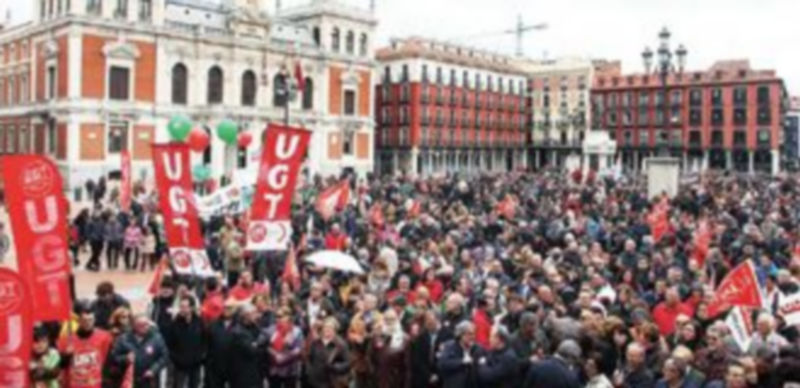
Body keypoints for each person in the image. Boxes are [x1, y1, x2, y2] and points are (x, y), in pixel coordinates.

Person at [57, 302, 113, 388]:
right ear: (79, 321)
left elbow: (108, 362)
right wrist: (66, 356)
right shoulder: (66, 341)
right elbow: (60, 366)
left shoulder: (104, 337)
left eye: (90, 320)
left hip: (96, 384)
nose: (88, 323)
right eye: (84, 320)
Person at [112, 314, 169, 388]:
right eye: (142, 325)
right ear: (134, 326)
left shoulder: (157, 338)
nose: (146, 327)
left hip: (149, 381)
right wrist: (125, 358)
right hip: (129, 380)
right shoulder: (124, 339)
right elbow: (114, 356)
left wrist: (154, 370)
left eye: (147, 324)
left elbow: (164, 357)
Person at [164, 297, 206, 388]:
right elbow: (169, 344)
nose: (182, 309)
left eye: (185, 307)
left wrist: (200, 357)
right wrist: (177, 359)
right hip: (179, 366)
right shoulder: (174, 324)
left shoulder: (199, 322)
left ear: (191, 308)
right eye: (181, 307)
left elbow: (204, 341)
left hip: (195, 364)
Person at [260, 307, 304, 388]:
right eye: (277, 316)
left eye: (281, 316)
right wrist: (274, 354)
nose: (278, 319)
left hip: (290, 369)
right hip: (274, 369)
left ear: (289, 316)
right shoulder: (271, 329)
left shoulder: (296, 331)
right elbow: (265, 346)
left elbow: (299, 348)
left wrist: (284, 357)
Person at [437, 321, 486, 388]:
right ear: (460, 335)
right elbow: (442, 364)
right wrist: (462, 362)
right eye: (469, 334)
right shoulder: (449, 347)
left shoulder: (478, 348)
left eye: (474, 334)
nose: (473, 337)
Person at [305, 317, 351, 388]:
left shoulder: (341, 344)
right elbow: (310, 358)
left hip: (332, 382)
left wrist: (334, 367)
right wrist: (310, 372)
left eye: (330, 328)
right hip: (315, 382)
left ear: (335, 330)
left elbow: (347, 363)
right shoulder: (316, 342)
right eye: (325, 327)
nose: (327, 330)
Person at [204, 300, 238, 388]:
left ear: (235, 310)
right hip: (215, 367)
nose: (226, 310)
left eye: (229, 308)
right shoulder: (214, 324)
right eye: (225, 307)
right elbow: (206, 343)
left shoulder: (239, 325)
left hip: (233, 367)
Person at [230, 304, 264, 388]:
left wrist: (256, 344)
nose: (257, 315)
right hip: (243, 376)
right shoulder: (238, 331)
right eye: (254, 313)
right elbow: (251, 351)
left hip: (256, 374)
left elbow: (264, 340)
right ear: (246, 315)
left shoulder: (255, 327)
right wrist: (258, 345)